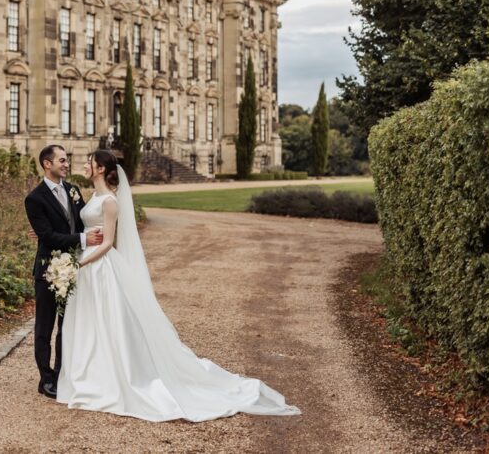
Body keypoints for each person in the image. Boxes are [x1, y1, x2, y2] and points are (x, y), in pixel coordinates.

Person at [56, 149, 301, 421]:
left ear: (100, 168)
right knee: (90, 321)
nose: (85, 165)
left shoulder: (110, 202)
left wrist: (83, 263)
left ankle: (112, 377)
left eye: (89, 162)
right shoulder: (92, 196)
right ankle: (89, 373)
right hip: (88, 263)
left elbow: (108, 242)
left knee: (108, 321)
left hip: (98, 266)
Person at [24, 144, 104, 399]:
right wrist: (82, 240)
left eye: (67, 160)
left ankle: (61, 373)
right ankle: (45, 378)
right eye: (62, 160)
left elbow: (79, 223)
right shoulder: (34, 198)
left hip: (74, 267)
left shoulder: (73, 190)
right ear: (47, 164)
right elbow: (47, 237)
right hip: (48, 270)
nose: (66, 164)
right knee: (44, 328)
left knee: (67, 325)